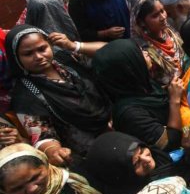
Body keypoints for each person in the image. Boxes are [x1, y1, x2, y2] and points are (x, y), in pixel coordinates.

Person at [6, 25, 111, 161]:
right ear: (16, 58)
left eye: (42, 49)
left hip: (113, 120)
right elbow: (42, 135)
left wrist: (73, 46)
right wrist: (54, 151)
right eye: (28, 54)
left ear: (50, 45)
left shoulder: (66, 60)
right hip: (90, 149)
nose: (38, 57)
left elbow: (109, 52)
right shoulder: (25, 95)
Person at [93, 39, 184, 151]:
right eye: (139, 53)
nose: (146, 52)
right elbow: (170, 143)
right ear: (128, 67)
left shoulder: (139, 82)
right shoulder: (130, 114)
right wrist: (175, 100)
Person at [126, 0, 185, 86]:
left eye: (162, 11)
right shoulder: (143, 51)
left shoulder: (169, 31)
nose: (163, 17)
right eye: (155, 15)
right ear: (141, 22)